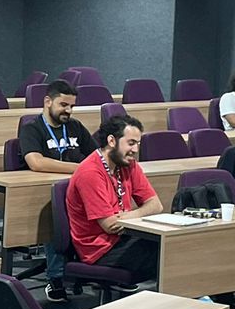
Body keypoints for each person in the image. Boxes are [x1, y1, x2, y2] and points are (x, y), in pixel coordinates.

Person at [18, 79, 94, 302]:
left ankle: (98, 268)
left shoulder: (75, 127)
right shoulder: (32, 128)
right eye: (63, 105)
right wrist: (79, 168)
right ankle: (56, 277)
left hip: (78, 190)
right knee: (57, 218)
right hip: (44, 195)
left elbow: (96, 157)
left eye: (72, 106)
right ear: (47, 101)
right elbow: (36, 163)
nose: (68, 110)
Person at [65, 115, 163, 284]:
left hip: (125, 237)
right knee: (165, 252)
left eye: (138, 143)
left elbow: (156, 205)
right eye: (131, 143)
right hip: (100, 250)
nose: (135, 150)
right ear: (111, 141)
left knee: (174, 244)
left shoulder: (127, 164)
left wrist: (126, 216)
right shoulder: (90, 172)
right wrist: (132, 216)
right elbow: (110, 225)